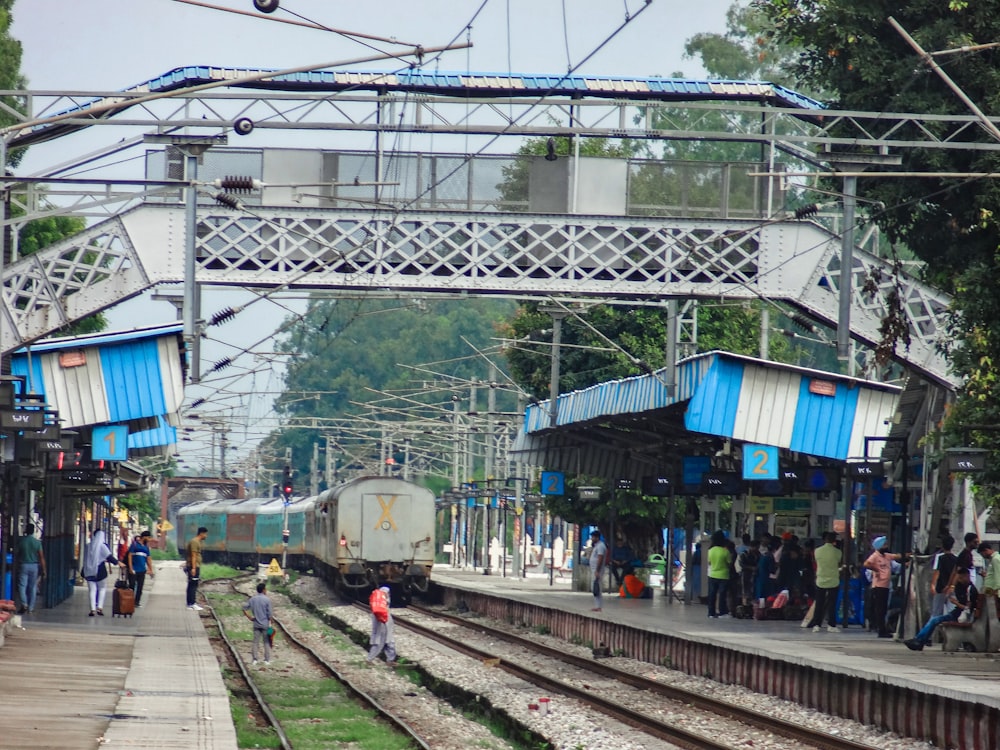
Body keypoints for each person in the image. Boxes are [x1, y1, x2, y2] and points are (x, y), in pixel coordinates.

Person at [904, 567, 978, 651]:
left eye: (961, 578)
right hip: (956, 613)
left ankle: (919, 640)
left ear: (967, 576)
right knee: (934, 620)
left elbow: (968, 609)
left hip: (962, 615)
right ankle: (919, 640)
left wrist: (956, 603)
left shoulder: (970, 590)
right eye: (958, 578)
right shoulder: (959, 586)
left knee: (935, 620)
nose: (959, 580)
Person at [863, 536, 906, 638]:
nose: (887, 546)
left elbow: (896, 558)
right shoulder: (875, 556)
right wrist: (876, 569)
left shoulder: (887, 556)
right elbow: (866, 564)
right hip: (878, 586)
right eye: (885, 545)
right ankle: (880, 630)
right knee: (880, 609)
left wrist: (907, 557)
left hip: (886, 586)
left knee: (883, 608)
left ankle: (882, 629)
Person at [806, 532, 842, 632]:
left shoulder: (817, 551)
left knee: (819, 603)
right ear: (834, 540)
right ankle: (831, 625)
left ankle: (817, 624)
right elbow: (838, 561)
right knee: (832, 603)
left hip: (820, 579)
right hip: (833, 580)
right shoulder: (838, 552)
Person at [82, 528, 120, 617]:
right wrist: (118, 563)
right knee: (102, 588)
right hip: (100, 571)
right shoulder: (102, 546)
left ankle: (92, 609)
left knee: (92, 590)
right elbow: (110, 557)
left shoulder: (88, 545)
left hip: (89, 570)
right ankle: (99, 607)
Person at [16, 523, 46, 614]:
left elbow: (16, 553)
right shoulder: (37, 543)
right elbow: (41, 557)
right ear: (33, 531)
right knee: (33, 587)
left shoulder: (21, 541)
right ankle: (31, 608)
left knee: (22, 585)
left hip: (23, 565)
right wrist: (44, 570)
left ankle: (24, 604)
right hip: (34, 566)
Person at [243, 581, 273, 665]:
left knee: (255, 642)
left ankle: (255, 659)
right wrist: (271, 624)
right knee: (266, 642)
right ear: (263, 590)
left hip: (256, 623)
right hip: (265, 624)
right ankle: (266, 660)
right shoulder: (267, 600)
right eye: (265, 589)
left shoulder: (252, 599)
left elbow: (244, 608)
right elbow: (270, 615)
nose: (266, 590)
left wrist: (249, 617)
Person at [366, 585, 396, 665]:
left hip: (382, 621)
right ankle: (369, 659)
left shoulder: (377, 602)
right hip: (383, 622)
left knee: (387, 640)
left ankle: (390, 659)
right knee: (381, 640)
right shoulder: (383, 601)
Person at [929, 535, 958, 617]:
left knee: (936, 612)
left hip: (940, 587)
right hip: (952, 588)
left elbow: (937, 572)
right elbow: (957, 573)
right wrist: (952, 586)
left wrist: (933, 585)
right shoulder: (956, 558)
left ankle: (935, 629)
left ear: (942, 545)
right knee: (951, 612)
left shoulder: (940, 557)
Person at [706, 530, 731, 618]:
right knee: (722, 595)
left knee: (712, 594)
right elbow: (729, 563)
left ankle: (711, 613)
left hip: (712, 574)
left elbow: (709, 562)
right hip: (724, 575)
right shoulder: (725, 551)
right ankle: (722, 612)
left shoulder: (710, 551)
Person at [127, 530, 155, 607]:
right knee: (131, 586)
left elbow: (148, 558)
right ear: (144, 537)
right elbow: (130, 556)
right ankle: (129, 601)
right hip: (134, 569)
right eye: (149, 538)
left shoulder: (146, 547)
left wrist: (150, 569)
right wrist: (130, 567)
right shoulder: (135, 545)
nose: (149, 540)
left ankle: (137, 602)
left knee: (140, 587)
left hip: (142, 570)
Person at [186, 526, 208, 611]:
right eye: (205, 534)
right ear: (201, 533)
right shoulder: (195, 542)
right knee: (193, 585)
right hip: (194, 566)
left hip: (194, 566)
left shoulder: (197, 541)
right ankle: (192, 603)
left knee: (192, 584)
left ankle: (190, 603)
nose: (206, 536)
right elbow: (193, 555)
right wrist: (194, 568)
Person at [588, 530, 608, 612]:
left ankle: (598, 606)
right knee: (594, 588)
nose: (592, 539)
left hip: (597, 570)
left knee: (596, 588)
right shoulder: (597, 546)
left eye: (593, 537)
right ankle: (597, 605)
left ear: (597, 537)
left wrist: (597, 570)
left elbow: (600, 558)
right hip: (594, 570)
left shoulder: (600, 546)